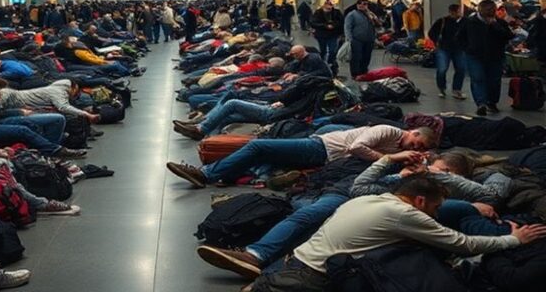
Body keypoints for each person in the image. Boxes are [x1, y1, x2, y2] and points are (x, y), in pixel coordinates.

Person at [247, 177, 546, 291]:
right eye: (436, 206)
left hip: (296, 262)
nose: (437, 213)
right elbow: (463, 244)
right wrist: (513, 239)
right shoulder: (404, 214)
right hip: (319, 279)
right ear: (419, 201)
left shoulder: (367, 199)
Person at [167, 124, 437, 188]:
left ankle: (207, 174)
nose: (416, 146)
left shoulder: (400, 149)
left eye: (421, 147)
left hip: (323, 152)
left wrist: (412, 157)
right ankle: (219, 174)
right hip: (320, 147)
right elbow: (357, 147)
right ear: (412, 131)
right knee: (263, 151)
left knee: (260, 147)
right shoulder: (388, 132)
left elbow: (357, 151)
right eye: (417, 140)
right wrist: (391, 157)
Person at [457, 0, 514, 116]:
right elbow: (459, 37)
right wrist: (467, 48)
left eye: (493, 9)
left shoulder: (499, 23)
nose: (491, 12)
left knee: (494, 80)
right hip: (474, 56)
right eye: (488, 10)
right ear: (480, 9)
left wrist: (495, 25)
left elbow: (508, 36)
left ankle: (492, 102)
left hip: (495, 56)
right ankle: (481, 103)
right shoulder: (469, 22)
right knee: (478, 78)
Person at [0, 77, 100, 123]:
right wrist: (86, 114)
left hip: (20, 103)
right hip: (16, 101)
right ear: (74, 87)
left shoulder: (56, 88)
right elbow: (63, 107)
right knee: (65, 114)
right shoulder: (57, 91)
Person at [428, 4, 467, 100]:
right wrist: (437, 41)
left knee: (461, 69)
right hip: (443, 48)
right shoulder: (442, 21)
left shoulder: (466, 21)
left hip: (459, 49)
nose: (457, 13)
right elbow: (431, 32)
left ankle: (457, 89)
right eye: (455, 12)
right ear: (450, 12)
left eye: (458, 11)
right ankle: (442, 88)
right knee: (442, 69)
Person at [344, 0, 379, 78]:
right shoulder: (352, 14)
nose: (361, 5)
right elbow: (347, 27)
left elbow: (378, 24)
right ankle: (355, 73)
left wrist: (374, 18)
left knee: (367, 56)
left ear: (367, 5)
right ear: (357, 5)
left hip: (369, 39)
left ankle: (364, 71)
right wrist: (349, 39)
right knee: (356, 57)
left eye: (364, 4)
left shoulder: (370, 14)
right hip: (356, 40)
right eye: (359, 3)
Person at [309, 1, 344, 75]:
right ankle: (323, 64)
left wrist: (334, 25)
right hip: (321, 35)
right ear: (324, 6)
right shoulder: (318, 13)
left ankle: (330, 63)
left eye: (330, 8)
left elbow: (341, 22)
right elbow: (313, 23)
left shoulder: (336, 12)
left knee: (333, 50)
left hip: (333, 34)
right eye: (327, 8)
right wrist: (325, 26)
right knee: (323, 50)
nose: (329, 9)